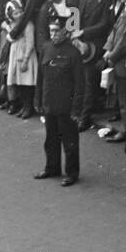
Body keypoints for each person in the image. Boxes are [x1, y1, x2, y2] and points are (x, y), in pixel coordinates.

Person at [34, 14, 85, 186]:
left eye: (56, 31)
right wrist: (38, 100)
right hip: (50, 102)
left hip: (66, 104)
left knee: (69, 140)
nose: (53, 34)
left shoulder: (73, 53)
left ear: (65, 31)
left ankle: (72, 173)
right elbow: (40, 78)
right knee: (51, 139)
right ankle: (51, 167)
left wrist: (76, 109)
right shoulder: (46, 48)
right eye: (51, 31)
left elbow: (80, 84)